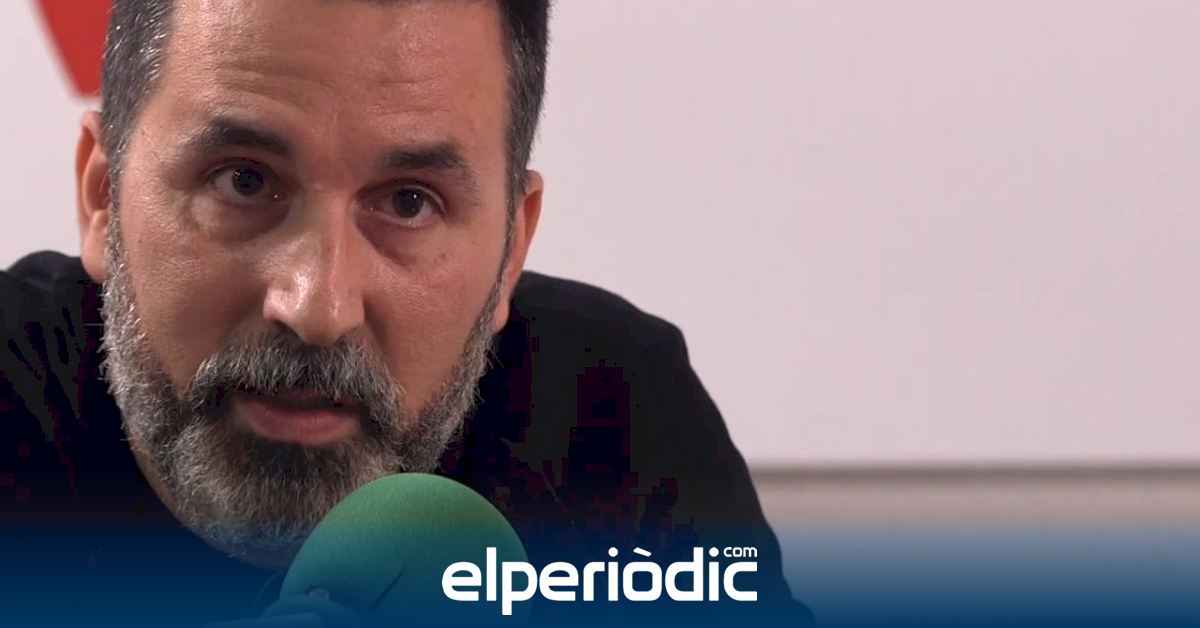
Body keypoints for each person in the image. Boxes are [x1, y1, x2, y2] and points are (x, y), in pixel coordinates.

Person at [0, 0, 808, 624]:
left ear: (511, 251)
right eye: (243, 181)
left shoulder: (614, 423)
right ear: (102, 198)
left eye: (409, 202)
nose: (319, 307)